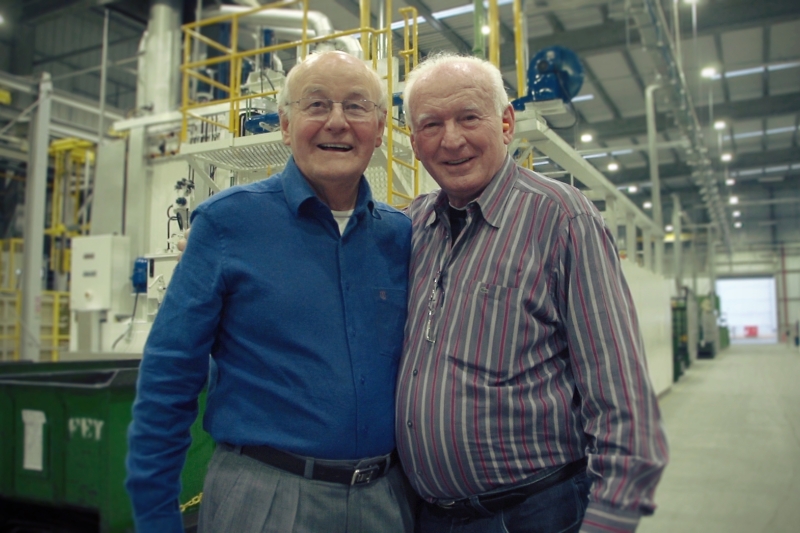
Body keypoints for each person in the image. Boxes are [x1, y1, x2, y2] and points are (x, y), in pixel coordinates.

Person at [125, 50, 414, 533]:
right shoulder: (226, 223)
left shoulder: (401, 236)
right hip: (266, 500)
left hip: (384, 500)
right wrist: (156, 518)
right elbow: (169, 376)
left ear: (380, 128)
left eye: (357, 107)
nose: (337, 123)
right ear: (284, 124)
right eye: (317, 105)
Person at [395, 53, 669, 533]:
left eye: (468, 117)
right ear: (414, 142)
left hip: (534, 513)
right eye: (431, 124)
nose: (451, 139)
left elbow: (621, 398)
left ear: (505, 123)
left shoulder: (562, 218)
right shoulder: (414, 227)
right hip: (429, 517)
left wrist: (609, 521)